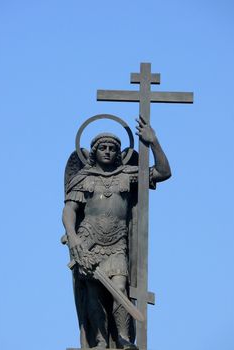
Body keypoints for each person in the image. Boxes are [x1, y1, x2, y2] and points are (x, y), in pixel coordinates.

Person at [62, 117, 171, 349]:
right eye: (103, 147)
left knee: (119, 286)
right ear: (94, 151)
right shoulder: (84, 178)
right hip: (88, 243)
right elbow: (69, 210)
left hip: (117, 243)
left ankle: (122, 336)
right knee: (94, 293)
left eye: (113, 148)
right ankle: (100, 340)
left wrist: (153, 142)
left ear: (119, 152)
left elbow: (163, 172)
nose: (108, 152)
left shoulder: (128, 175)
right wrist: (72, 236)